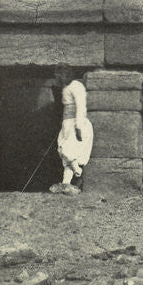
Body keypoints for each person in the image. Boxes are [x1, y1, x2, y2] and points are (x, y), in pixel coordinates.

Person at [50, 63, 93, 193]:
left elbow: (81, 107)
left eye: (60, 76)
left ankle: (77, 170)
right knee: (64, 152)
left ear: (66, 75)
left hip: (75, 123)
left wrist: (78, 126)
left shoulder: (77, 86)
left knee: (66, 149)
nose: (58, 78)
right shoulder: (65, 88)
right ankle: (66, 183)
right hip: (67, 124)